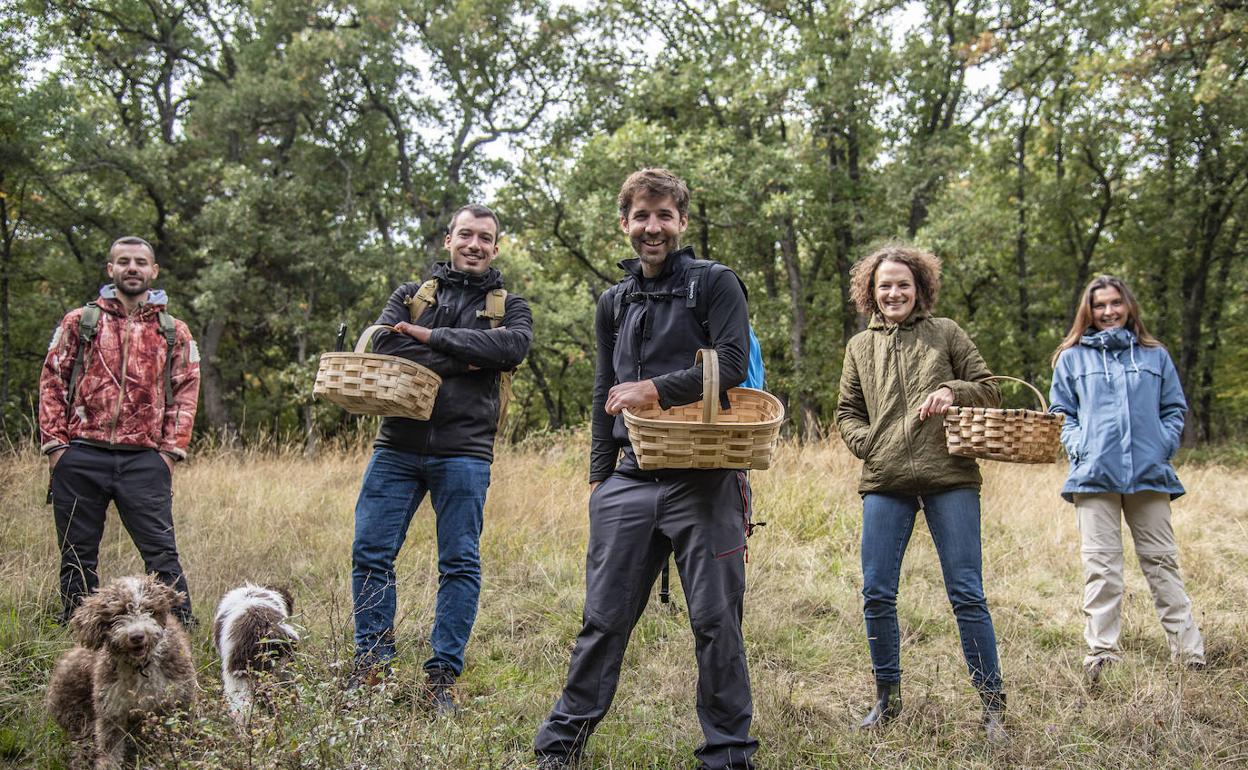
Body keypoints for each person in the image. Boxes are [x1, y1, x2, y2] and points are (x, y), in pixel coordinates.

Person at [534, 169, 758, 770]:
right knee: (602, 622)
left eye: (664, 215)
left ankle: (729, 753)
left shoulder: (714, 284)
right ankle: (559, 747)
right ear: (625, 224)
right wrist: (599, 479)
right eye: (641, 216)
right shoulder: (614, 300)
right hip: (629, 480)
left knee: (717, 625)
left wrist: (655, 389)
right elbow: (603, 389)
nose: (652, 227)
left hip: (706, 479)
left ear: (682, 221)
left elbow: (734, 363)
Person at [349, 204, 533, 714]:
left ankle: (441, 678)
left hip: (466, 452)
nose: (475, 244)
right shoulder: (410, 296)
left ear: (496, 247)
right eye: (466, 234)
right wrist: (472, 356)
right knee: (371, 554)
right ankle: (372, 668)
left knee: (459, 564)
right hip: (396, 446)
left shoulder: (510, 306)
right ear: (449, 239)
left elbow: (513, 348)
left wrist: (428, 338)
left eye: (485, 237)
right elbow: (384, 351)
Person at [834, 244, 1007, 742]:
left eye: (903, 285)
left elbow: (990, 386)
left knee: (966, 593)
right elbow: (847, 410)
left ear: (920, 289)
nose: (894, 293)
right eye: (885, 285)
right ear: (871, 291)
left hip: (950, 475)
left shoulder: (945, 332)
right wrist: (869, 444)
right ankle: (886, 701)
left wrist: (954, 390)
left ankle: (992, 706)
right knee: (877, 592)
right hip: (885, 481)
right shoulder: (858, 348)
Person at [1048, 275, 1204, 683]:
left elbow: (1174, 408)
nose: (1109, 311)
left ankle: (1189, 653)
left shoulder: (1154, 356)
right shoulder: (1072, 358)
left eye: (1115, 303)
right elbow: (1062, 413)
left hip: (1149, 475)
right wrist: (1080, 446)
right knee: (1101, 567)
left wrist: (1162, 445)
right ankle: (1102, 654)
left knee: (1161, 562)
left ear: (1128, 305)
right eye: (1099, 306)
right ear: (1089, 311)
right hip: (1093, 476)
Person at [39, 235, 200, 625]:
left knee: (161, 553)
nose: (132, 268)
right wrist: (58, 447)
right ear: (110, 269)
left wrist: (168, 453)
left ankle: (180, 631)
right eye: (124, 261)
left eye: (140, 262)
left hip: (145, 460)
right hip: (81, 454)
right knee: (77, 554)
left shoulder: (172, 330)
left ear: (153, 271)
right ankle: (78, 633)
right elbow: (52, 379)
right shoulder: (81, 321)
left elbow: (186, 390)